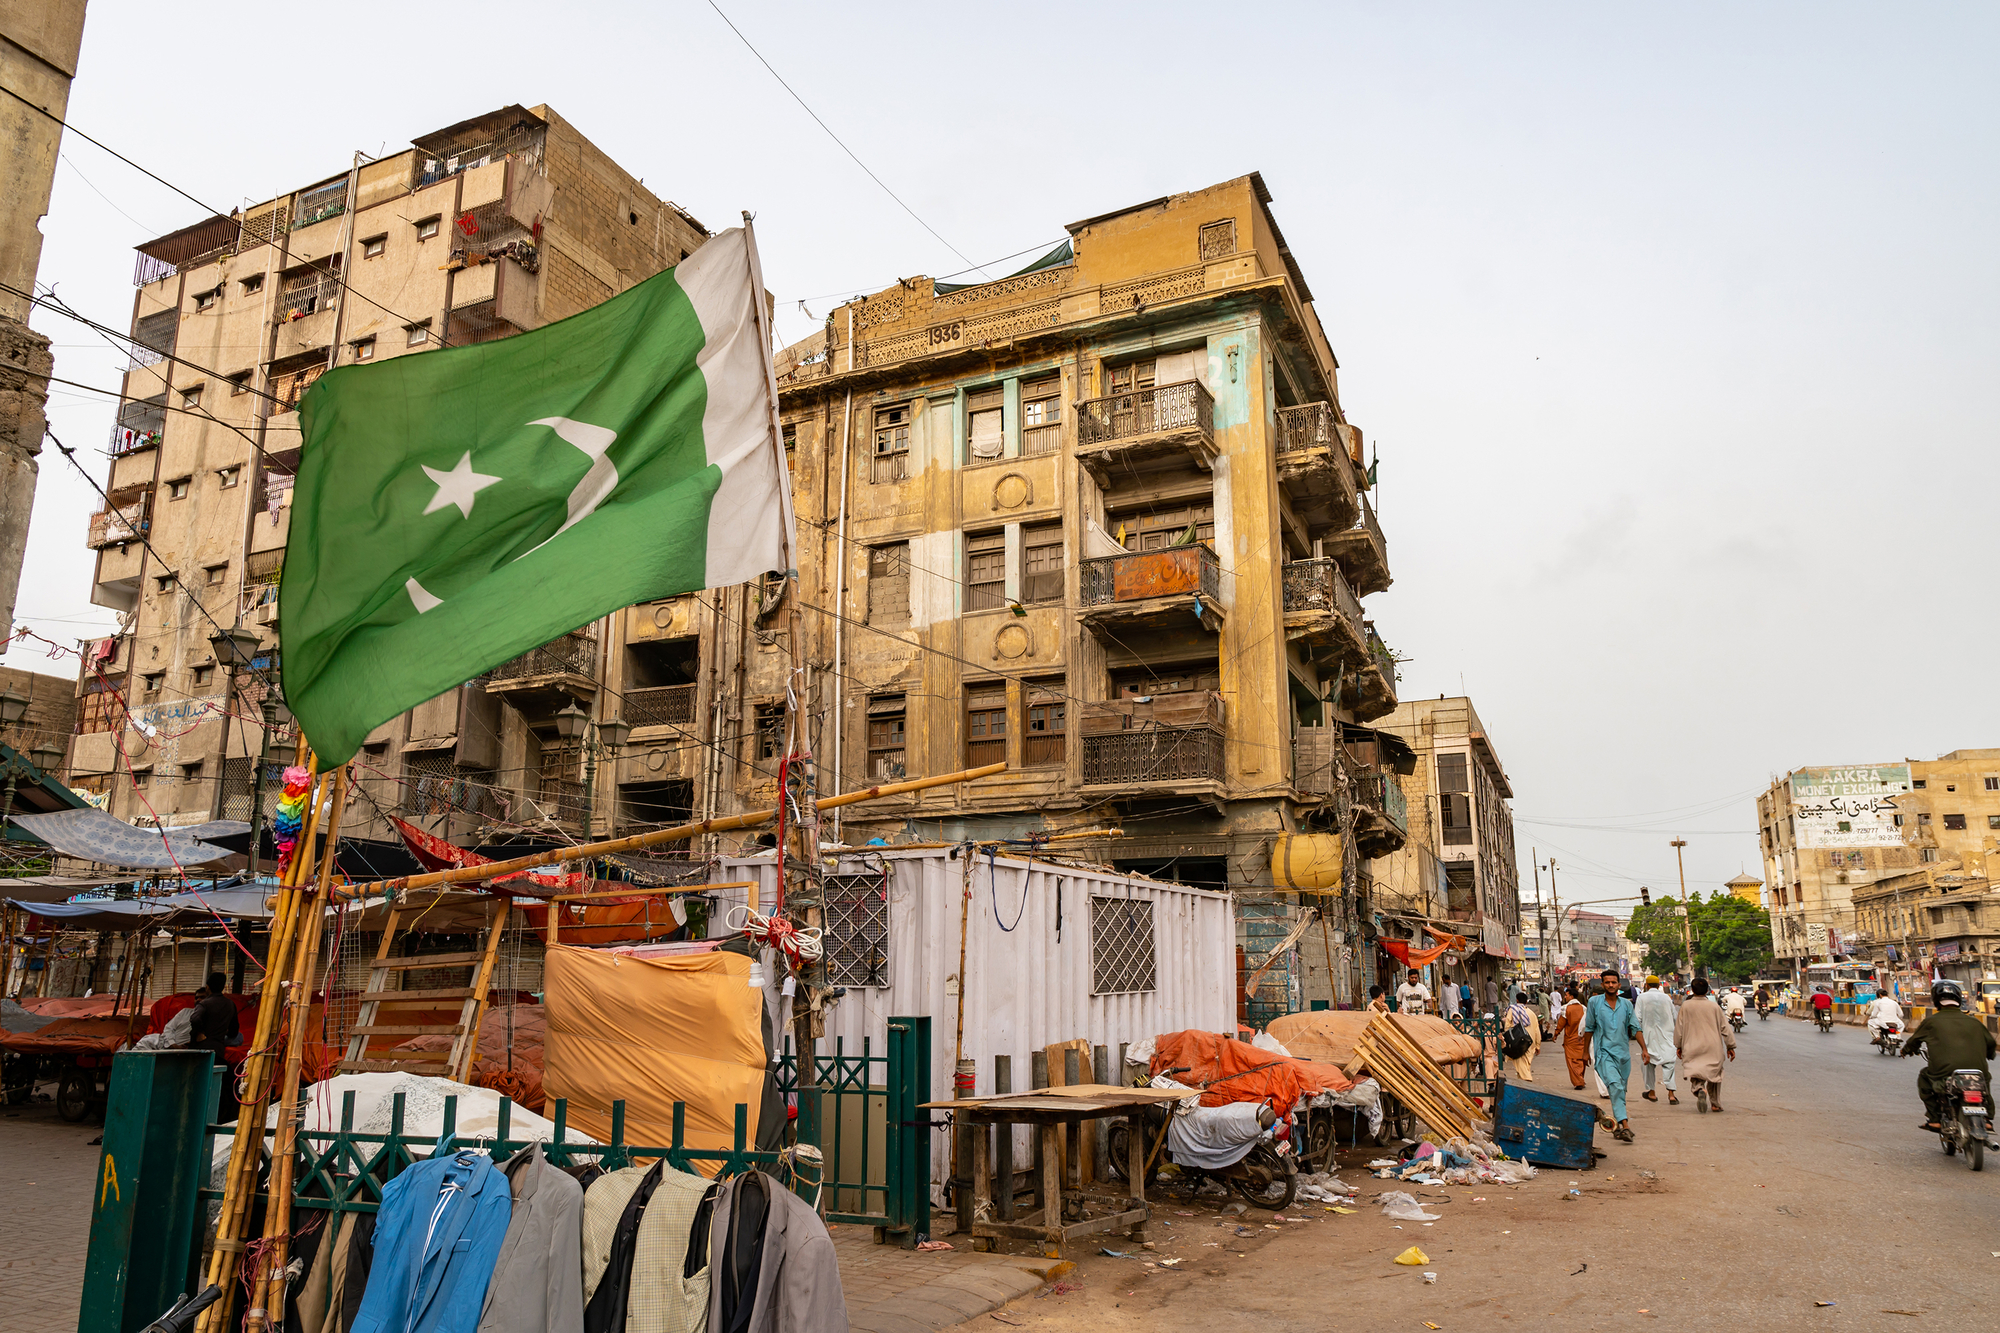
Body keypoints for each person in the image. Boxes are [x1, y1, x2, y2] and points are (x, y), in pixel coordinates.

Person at [1901, 979, 1997, 1133]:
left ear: (1936, 1001)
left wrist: (1906, 1050)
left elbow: (1914, 1041)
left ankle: (1935, 1120)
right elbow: (1991, 1044)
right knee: (1984, 1082)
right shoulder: (1974, 1022)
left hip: (1944, 1073)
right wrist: (1989, 1055)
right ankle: (1986, 1119)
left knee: (1924, 1078)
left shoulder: (1931, 1022)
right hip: (1976, 1072)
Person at [1582, 969, 1648, 1140]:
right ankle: (1625, 1126)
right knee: (1615, 1086)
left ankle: (1618, 1124)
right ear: (1602, 984)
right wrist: (1585, 1052)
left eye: (1613, 982)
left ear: (1619, 985)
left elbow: (1636, 1027)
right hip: (1604, 1053)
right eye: (1607, 982)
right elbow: (1589, 1028)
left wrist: (1644, 1049)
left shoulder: (1626, 1004)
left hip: (1623, 1055)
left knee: (1620, 1090)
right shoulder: (1594, 1002)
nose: (1610, 985)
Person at [1674, 976, 1735, 1112]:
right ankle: (1715, 1104)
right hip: (1713, 1046)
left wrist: (1678, 1045)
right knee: (1714, 1075)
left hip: (1691, 1045)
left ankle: (1699, 1089)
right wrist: (1730, 1046)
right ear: (1707, 990)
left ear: (1692, 991)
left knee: (1696, 1072)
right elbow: (1725, 1028)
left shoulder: (1686, 1006)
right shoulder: (1714, 1006)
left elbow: (1679, 1028)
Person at [188, 971, 242, 1120]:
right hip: (218, 1051)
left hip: (199, 1050)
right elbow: (234, 1031)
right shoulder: (230, 1004)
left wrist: (200, 1033)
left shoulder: (204, 1004)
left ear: (207, 987)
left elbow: (194, 1019)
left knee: (197, 1085)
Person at [1635, 975, 1679, 1105]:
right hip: (1667, 1035)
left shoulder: (1641, 997)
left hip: (1648, 1036)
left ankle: (1652, 1092)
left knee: (1648, 1064)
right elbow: (1675, 1017)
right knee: (1669, 1063)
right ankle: (1671, 1094)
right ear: (1659, 985)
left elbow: (1637, 1018)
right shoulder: (1666, 998)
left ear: (1646, 985)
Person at [1551, 985, 1590, 1089]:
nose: (1565, 997)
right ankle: (1580, 1078)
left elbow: (1561, 1024)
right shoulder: (1584, 1008)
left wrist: (1556, 1034)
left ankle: (1578, 1082)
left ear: (1571, 996)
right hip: (1582, 1039)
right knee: (1581, 1060)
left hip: (1570, 1040)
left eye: (1566, 995)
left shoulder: (1565, 1008)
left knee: (1572, 1061)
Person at [1505, 990, 1541, 1081]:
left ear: (1517, 1000)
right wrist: (1538, 1045)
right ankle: (1522, 1085)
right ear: (1526, 1002)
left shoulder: (1512, 1010)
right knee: (1525, 1065)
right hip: (1531, 1042)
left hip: (1518, 1042)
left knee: (1522, 1067)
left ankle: (1527, 1082)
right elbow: (1537, 1031)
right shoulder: (1532, 1014)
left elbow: (1507, 1026)